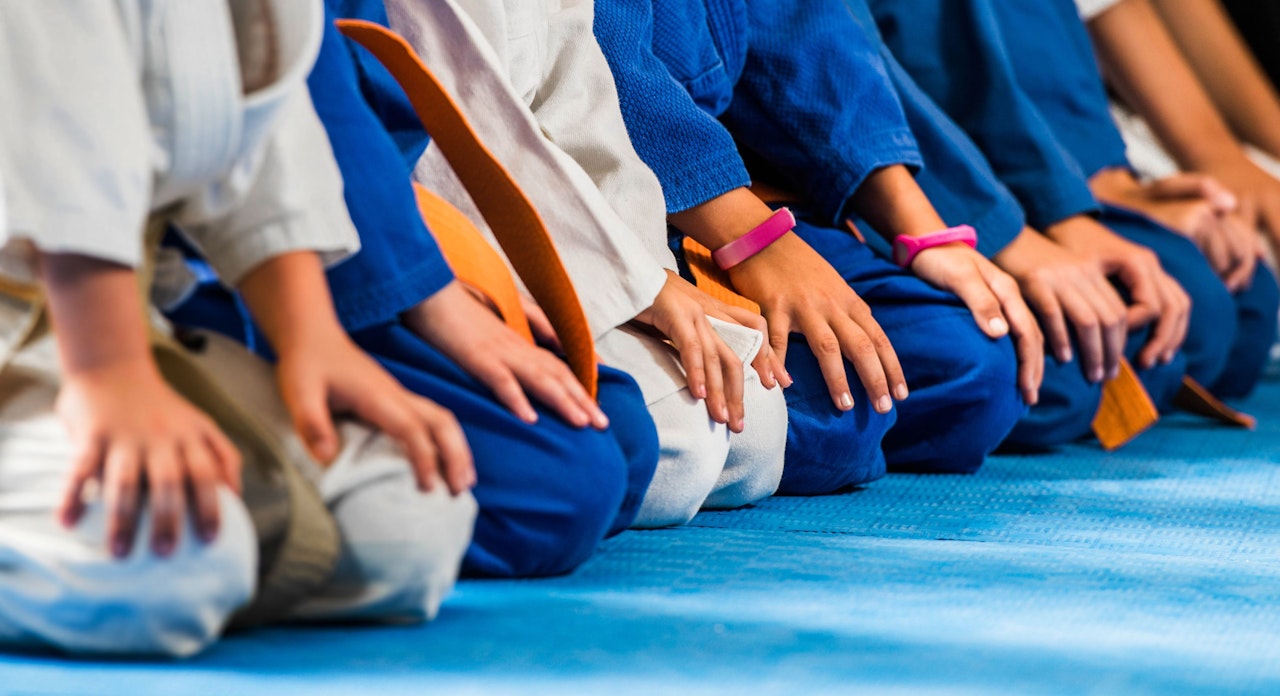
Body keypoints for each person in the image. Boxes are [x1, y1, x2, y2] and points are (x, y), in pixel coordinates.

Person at [0, 0, 475, 657]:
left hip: (119, 321)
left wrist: (312, 334)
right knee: (171, 564)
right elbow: (63, 113)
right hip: (54, 325)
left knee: (405, 524)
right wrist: (107, 371)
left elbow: (260, 107)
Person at [164, 4, 660, 579]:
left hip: (356, 233)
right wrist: (414, 289)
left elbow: (329, 94)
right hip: (200, 264)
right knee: (559, 487)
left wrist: (435, 270)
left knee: (621, 434)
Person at [369, 0, 790, 525]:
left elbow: (579, 102)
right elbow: (450, 120)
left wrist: (642, 271)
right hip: (440, 234)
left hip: (588, 228)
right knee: (654, 453)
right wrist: (629, 281)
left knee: (757, 431)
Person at [593, 0, 1035, 480]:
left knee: (976, 372)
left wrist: (926, 234)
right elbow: (600, 66)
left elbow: (798, 28)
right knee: (843, 419)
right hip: (624, 201)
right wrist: (754, 240)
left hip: (736, 195)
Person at [870, 0, 1279, 401]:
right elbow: (851, 70)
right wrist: (1008, 227)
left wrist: (1088, 195)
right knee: (1003, 370)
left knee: (1232, 312)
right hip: (896, 187)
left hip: (1024, 171)